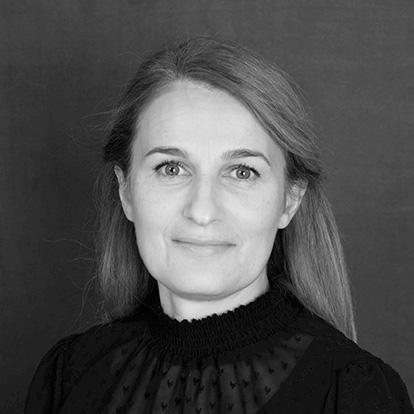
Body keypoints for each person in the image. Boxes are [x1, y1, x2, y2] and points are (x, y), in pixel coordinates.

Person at [24, 36, 413, 414]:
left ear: (290, 200)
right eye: (171, 168)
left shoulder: (354, 393)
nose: (202, 210)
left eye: (242, 172)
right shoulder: (69, 376)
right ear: (126, 191)